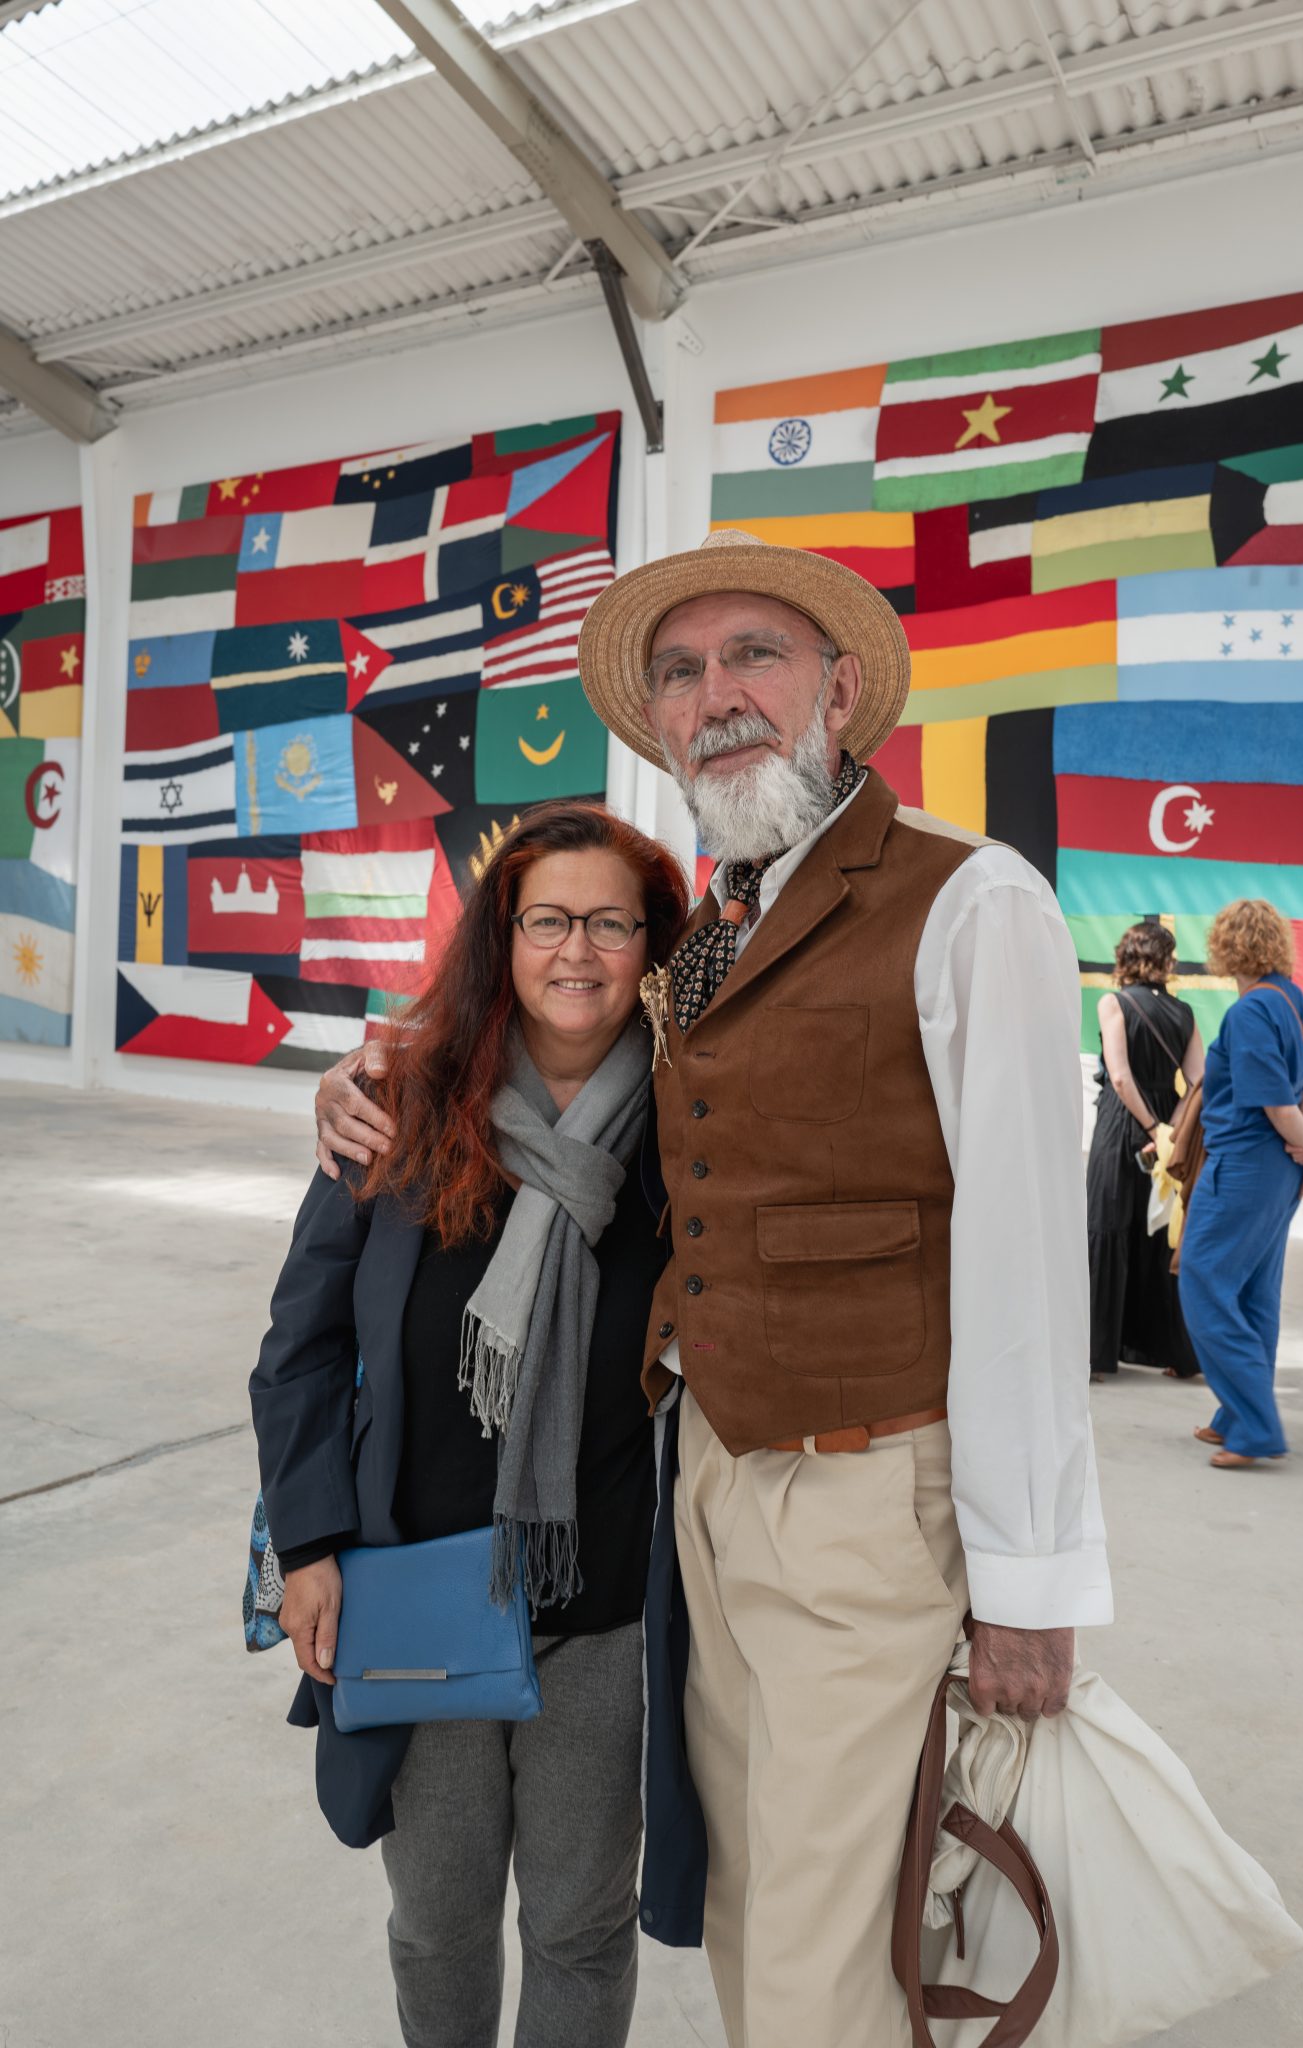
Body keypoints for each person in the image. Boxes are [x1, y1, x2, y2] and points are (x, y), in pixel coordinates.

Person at [320, 530, 1113, 2048]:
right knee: (753, 1900)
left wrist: (1026, 1583)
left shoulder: (964, 900)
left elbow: (1023, 1268)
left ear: (837, 694)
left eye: (754, 655)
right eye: (681, 673)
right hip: (705, 1489)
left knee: (820, 1960)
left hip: (867, 1496)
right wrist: (366, 1075)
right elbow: (563, 1060)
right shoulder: (710, 935)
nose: (716, 694)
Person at [251, 801, 690, 2048]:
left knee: (580, 1924)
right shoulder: (398, 1103)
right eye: (548, 918)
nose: (579, 950)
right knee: (437, 1923)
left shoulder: (686, 1132)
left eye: (614, 922)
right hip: (417, 1592)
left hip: (597, 1603)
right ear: (501, 936)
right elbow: (299, 1349)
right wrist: (309, 1545)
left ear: (650, 943)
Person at [1177, 898, 1303, 1470]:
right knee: (1252, 1291)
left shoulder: (1247, 1014)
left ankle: (1257, 1426)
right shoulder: (1293, 1001)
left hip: (1243, 1166)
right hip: (1275, 1170)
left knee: (1204, 1282)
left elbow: (1275, 1102)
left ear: (1226, 945)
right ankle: (1238, 1416)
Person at [1087, 921, 1204, 1381]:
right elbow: (1198, 1081)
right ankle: (1169, 1349)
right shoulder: (1186, 1013)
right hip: (1167, 1128)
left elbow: (1118, 1076)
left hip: (1121, 1124)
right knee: (1158, 1233)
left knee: (1106, 1228)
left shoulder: (1112, 1002)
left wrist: (1147, 1124)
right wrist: (1168, 1127)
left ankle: (1096, 1353)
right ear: (1165, 961)